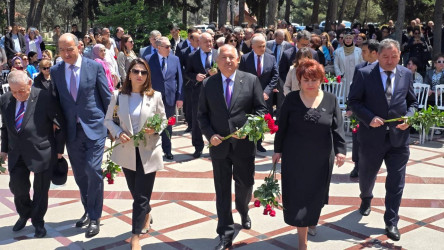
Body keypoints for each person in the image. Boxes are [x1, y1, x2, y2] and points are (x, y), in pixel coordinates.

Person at [197, 44, 267, 250]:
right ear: (217, 62)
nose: (228, 61)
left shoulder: (251, 80)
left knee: (245, 184)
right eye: (223, 58)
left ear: (238, 60)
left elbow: (261, 111)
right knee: (222, 190)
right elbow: (202, 115)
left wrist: (247, 129)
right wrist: (210, 135)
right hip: (219, 147)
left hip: (244, 146)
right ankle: (225, 233)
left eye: (231, 58)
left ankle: (243, 209)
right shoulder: (208, 84)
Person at [348, 39, 418, 241]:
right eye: (385, 56)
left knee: (396, 182)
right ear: (377, 55)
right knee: (366, 176)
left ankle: (391, 221)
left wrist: (410, 117)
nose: (389, 60)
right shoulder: (364, 73)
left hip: (399, 138)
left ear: (399, 56)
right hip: (371, 137)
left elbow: (412, 102)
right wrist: (369, 118)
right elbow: (354, 101)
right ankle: (366, 198)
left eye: (394, 56)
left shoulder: (405, 73)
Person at [273, 59, 346, 250]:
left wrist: (341, 151)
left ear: (321, 79)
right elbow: (282, 127)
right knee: (298, 196)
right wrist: (277, 150)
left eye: (314, 79)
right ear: (299, 81)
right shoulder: (291, 99)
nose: (310, 84)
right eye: (306, 80)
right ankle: (302, 241)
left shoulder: (330, 99)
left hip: (321, 158)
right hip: (295, 157)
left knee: (316, 195)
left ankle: (312, 220)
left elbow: (337, 127)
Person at [50, 33, 111, 238]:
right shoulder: (56, 71)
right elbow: (55, 100)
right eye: (62, 50)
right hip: (72, 131)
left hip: (95, 126)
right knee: (80, 175)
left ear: (80, 47)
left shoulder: (95, 67)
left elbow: (107, 97)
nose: (66, 53)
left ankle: (95, 217)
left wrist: (114, 126)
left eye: (70, 49)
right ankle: (88, 208)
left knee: (93, 170)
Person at [104, 59, 166, 250]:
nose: (139, 75)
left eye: (143, 72)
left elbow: (163, 121)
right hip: (127, 152)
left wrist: (154, 129)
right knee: (137, 193)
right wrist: (118, 132)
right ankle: (146, 212)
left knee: (140, 196)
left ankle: (135, 237)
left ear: (147, 76)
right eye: (136, 71)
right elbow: (108, 120)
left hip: (149, 151)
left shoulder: (154, 96)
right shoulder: (118, 96)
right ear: (129, 74)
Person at [0, 70, 65, 238]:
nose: (17, 95)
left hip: (42, 151)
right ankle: (24, 212)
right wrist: (4, 149)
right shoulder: (5, 99)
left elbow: (60, 124)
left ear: (29, 83)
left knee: (40, 190)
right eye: (14, 91)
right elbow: (6, 128)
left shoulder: (44, 97)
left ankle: (38, 221)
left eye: (21, 91)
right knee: (17, 187)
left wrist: (59, 151)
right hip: (17, 152)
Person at [238, 34, 279, 152]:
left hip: (266, 96)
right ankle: (249, 142)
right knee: (250, 117)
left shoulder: (271, 58)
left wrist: (267, 92)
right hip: (249, 95)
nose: (263, 48)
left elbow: (275, 76)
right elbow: (242, 76)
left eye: (264, 46)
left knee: (262, 118)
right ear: (253, 47)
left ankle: (259, 142)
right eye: (260, 46)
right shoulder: (245, 58)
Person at [146, 37, 183, 160]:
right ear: (159, 47)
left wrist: (179, 97)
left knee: (168, 125)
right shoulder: (148, 60)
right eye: (167, 47)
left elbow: (179, 79)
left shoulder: (175, 59)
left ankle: (167, 150)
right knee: (153, 125)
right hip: (153, 98)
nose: (170, 49)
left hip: (170, 98)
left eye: (170, 46)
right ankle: (154, 150)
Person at [347, 39, 380, 178]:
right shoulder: (359, 67)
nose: (362, 54)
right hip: (359, 110)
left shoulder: (381, 67)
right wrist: (350, 107)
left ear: (374, 52)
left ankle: (371, 167)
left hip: (375, 112)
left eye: (364, 51)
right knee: (357, 138)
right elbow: (354, 88)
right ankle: (357, 165)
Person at [185, 32, 218, 158]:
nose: (209, 44)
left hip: (215, 93)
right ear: (199, 43)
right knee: (197, 121)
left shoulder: (218, 54)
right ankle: (198, 147)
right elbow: (186, 72)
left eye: (211, 41)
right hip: (198, 93)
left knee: (215, 119)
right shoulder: (192, 56)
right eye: (206, 42)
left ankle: (214, 144)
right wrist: (195, 77)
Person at [178, 31, 199, 133]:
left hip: (201, 83)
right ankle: (190, 125)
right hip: (188, 82)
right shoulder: (183, 52)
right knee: (189, 106)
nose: (199, 42)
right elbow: (180, 68)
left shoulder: (202, 51)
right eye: (197, 40)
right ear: (191, 40)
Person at [334, 31, 363, 99]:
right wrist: (339, 74)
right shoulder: (338, 51)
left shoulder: (358, 50)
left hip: (355, 75)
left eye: (350, 38)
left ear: (352, 39)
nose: (348, 40)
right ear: (343, 39)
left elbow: (362, 63)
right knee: (343, 95)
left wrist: (360, 74)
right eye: (346, 38)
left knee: (355, 95)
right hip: (343, 76)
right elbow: (336, 64)